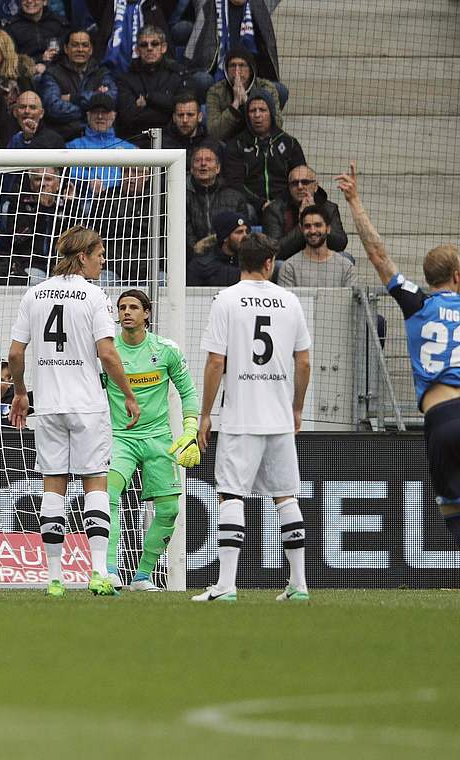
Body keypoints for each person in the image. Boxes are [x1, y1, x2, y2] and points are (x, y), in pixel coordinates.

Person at [7, 225, 139, 598]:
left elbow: (16, 353)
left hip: (48, 407)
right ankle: (97, 573)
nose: (103, 261)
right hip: (87, 406)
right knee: (95, 484)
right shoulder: (95, 296)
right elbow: (108, 354)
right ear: (83, 256)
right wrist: (129, 394)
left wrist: (20, 392)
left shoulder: (34, 295)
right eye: (99, 255)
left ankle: (53, 579)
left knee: (54, 489)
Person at [339, 162, 460, 549]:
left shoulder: (416, 303)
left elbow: (377, 253)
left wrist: (355, 202)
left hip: (440, 420)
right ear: (457, 276)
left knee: (452, 508)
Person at [193, 231, 310, 602]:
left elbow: (215, 361)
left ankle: (227, 585)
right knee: (286, 497)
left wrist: (205, 415)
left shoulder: (225, 299)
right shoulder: (290, 301)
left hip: (241, 417)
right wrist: (297, 407)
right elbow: (303, 360)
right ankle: (299, 585)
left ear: (240, 260)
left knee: (231, 496)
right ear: (269, 263)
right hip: (278, 417)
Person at [103, 290, 199, 591]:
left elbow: (188, 391)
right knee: (107, 498)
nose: (126, 312)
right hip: (120, 438)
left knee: (169, 510)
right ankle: (108, 571)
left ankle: (142, 577)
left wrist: (190, 429)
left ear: (147, 313)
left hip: (159, 439)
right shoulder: (106, 351)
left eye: (133, 307)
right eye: (121, 307)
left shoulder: (166, 349)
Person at [220, 90, 303, 207]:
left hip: (285, 206)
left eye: (262, 110)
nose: (257, 115)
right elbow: (234, 184)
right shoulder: (237, 144)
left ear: (271, 113)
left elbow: (300, 178)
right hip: (250, 206)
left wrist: (278, 205)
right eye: (252, 111)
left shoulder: (290, 143)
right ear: (247, 115)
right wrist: (261, 204)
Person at [39, 27, 116, 140]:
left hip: (98, 137)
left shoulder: (102, 72)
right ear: (66, 48)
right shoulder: (52, 73)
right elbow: (53, 108)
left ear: (91, 49)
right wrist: (92, 108)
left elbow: (111, 98)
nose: (80, 49)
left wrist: (73, 98)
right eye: (75, 45)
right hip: (64, 138)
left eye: (85, 45)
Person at [262, 164, 348, 260]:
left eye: (305, 182)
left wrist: (317, 220)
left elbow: (340, 243)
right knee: (278, 265)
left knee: (346, 257)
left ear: (315, 186)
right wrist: (302, 224)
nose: (299, 187)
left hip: (321, 258)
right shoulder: (274, 210)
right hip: (290, 261)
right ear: (289, 188)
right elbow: (274, 251)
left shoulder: (329, 208)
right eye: (294, 183)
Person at [186, 143, 256, 257]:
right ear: (192, 169)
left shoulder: (235, 197)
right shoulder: (181, 197)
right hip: (191, 259)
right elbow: (186, 235)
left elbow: (242, 233)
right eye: (198, 160)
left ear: (218, 168)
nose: (203, 164)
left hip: (228, 258)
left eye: (208, 160)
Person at [203, 46, 279, 142]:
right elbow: (214, 133)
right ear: (226, 70)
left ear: (251, 70)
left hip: (259, 141)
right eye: (232, 66)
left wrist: (247, 103)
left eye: (242, 65)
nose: (237, 71)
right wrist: (235, 105)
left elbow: (277, 125)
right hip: (227, 142)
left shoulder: (266, 88)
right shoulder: (215, 91)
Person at [276, 206, 354, 287]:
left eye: (318, 225)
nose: (312, 231)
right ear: (301, 230)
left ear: (328, 228)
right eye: (307, 226)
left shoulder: (346, 267)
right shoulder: (289, 267)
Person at [188, 209, 247, 286]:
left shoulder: (251, 262)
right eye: (239, 232)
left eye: (246, 231)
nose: (245, 236)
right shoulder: (201, 265)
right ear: (225, 237)